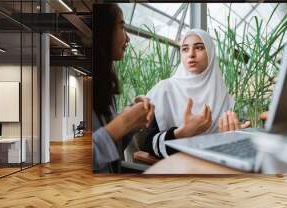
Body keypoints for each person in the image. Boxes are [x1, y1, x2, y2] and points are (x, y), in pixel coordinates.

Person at [142, 29, 250, 159]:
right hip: (176, 169)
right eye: (185, 49)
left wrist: (235, 137)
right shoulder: (164, 90)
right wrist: (182, 133)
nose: (191, 54)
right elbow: (147, 144)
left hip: (213, 167)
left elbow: (231, 148)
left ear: (210, 52)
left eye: (199, 48)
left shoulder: (226, 99)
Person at [92, 4, 154, 173]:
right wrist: (123, 123)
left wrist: (131, 123)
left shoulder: (104, 84)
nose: (128, 38)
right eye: (121, 26)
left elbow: (111, 154)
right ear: (103, 30)